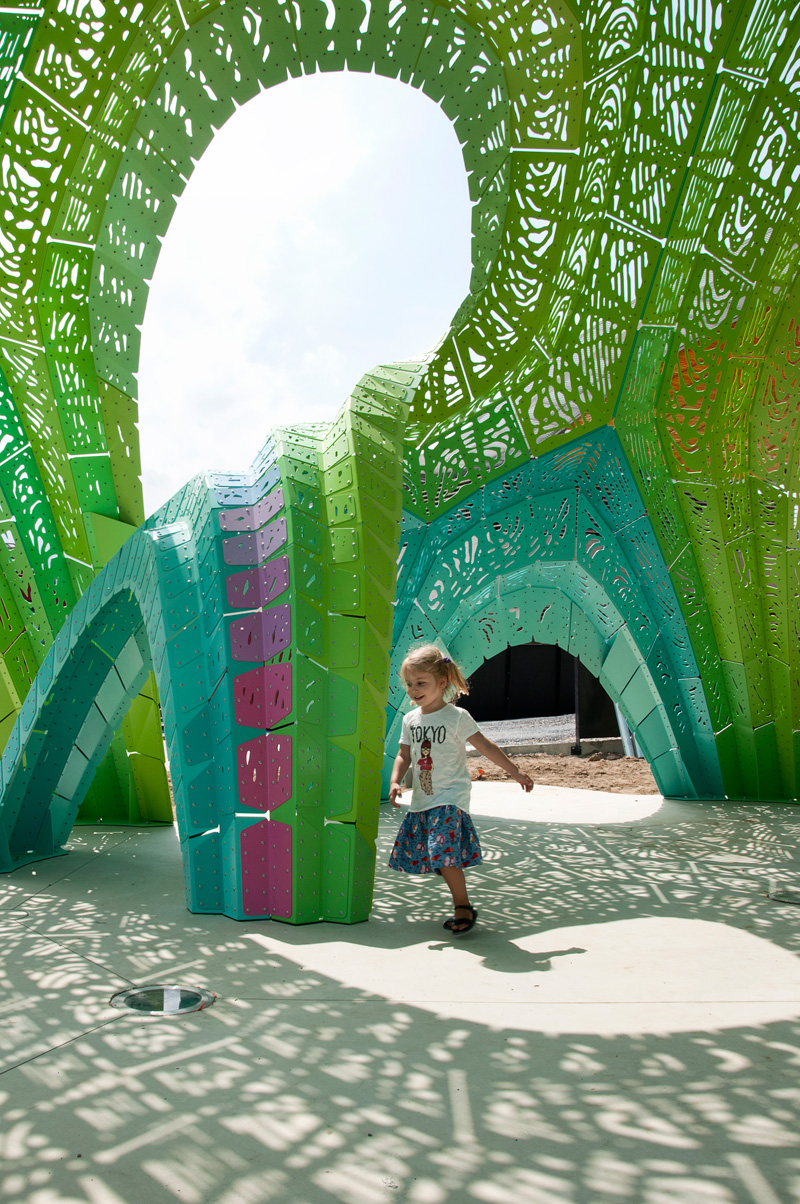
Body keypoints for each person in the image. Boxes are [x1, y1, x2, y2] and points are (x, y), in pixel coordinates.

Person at [388, 644, 534, 934]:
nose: (413, 689)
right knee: (436, 858)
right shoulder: (410, 720)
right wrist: (394, 780)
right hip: (423, 799)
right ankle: (456, 889)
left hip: (451, 796)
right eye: (409, 684)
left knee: (442, 852)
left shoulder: (457, 717)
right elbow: (404, 754)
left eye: (420, 683)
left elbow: (486, 747)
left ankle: (462, 907)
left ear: (441, 682)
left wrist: (514, 771)